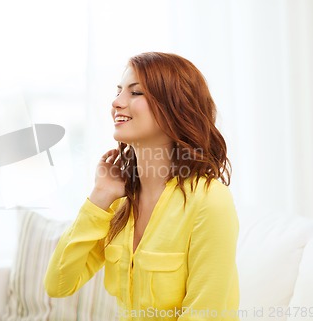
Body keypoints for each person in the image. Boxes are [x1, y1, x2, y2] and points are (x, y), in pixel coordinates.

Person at [44, 52, 239, 320]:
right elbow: (58, 284)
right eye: (119, 91)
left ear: (175, 107)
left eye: (136, 93)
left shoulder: (209, 200)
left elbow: (206, 314)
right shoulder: (119, 202)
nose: (116, 102)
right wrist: (100, 197)